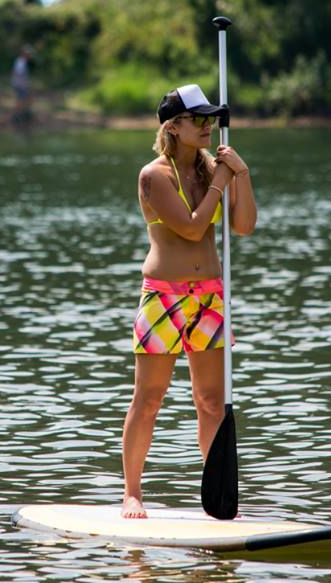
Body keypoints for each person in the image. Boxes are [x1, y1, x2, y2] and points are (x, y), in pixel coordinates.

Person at [122, 84, 257, 519]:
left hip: (209, 300)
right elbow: (193, 228)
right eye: (198, 120)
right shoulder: (153, 175)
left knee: (212, 403)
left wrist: (242, 175)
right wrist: (222, 179)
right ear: (173, 127)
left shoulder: (212, 168)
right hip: (163, 299)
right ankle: (132, 493)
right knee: (149, 398)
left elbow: (243, 227)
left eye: (211, 119)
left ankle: (217, 496)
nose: (208, 127)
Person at [10, 45, 32, 122]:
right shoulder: (21, 62)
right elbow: (17, 73)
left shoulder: (21, 61)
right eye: (29, 54)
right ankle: (16, 116)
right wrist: (22, 84)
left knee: (24, 99)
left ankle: (22, 114)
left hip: (19, 84)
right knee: (20, 100)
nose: (30, 56)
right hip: (20, 85)